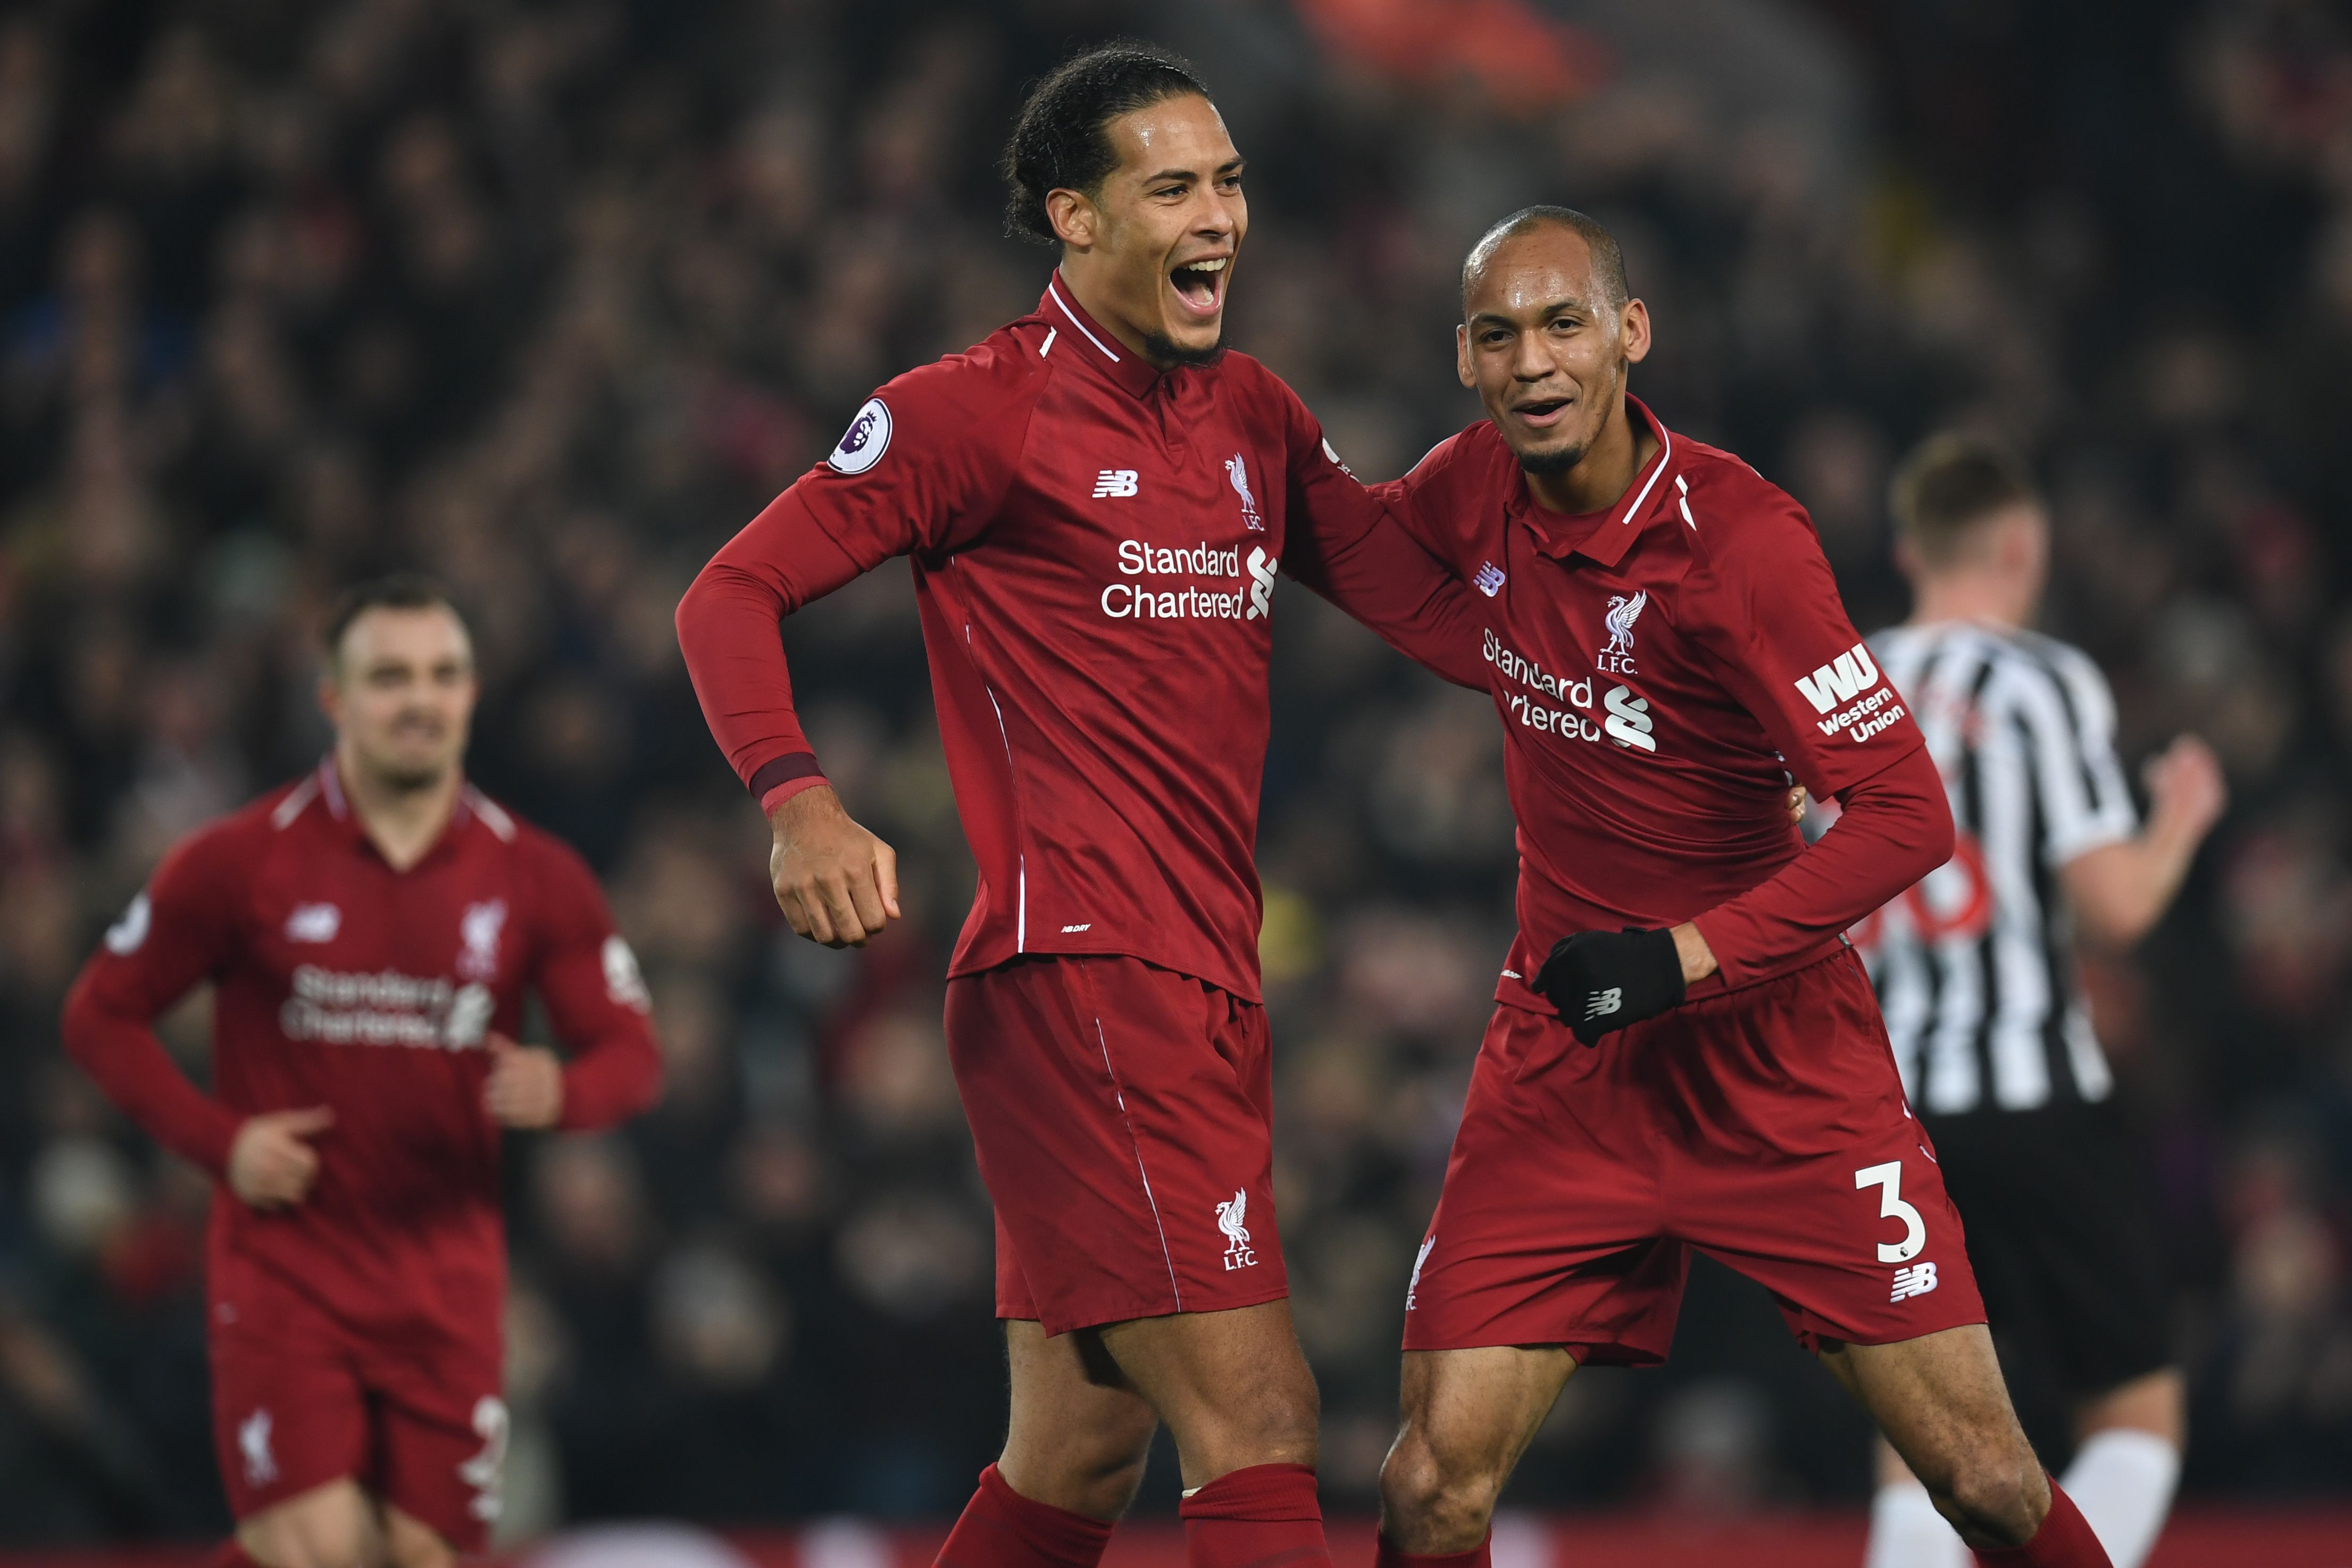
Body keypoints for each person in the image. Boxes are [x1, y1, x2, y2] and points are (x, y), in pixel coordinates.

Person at [672, 43, 1489, 1568]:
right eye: (1172, 188)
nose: (1219, 216)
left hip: (1204, 977)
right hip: (1084, 974)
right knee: (1259, 1414)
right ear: (1075, 216)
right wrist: (798, 802)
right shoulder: (969, 413)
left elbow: (1431, 610)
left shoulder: (1254, 414)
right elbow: (728, 593)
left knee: (1077, 1453)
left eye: (1229, 182)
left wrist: (1680, 700)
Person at [1365, 207, 2118, 1568]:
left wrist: (1679, 960)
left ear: (1630, 333)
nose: (1532, 362)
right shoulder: (1468, 486)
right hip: (1570, 1061)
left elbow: (1908, 816)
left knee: (1987, 1482)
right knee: (1430, 1491)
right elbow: (1344, 546)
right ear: (1464, 358)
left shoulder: (1742, 542)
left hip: (1778, 1061)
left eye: (1563, 324)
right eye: (1499, 335)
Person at [61, 576, 664, 1568]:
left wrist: (565, 1091)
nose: (420, 700)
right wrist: (222, 1144)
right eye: (389, 677)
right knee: (321, 1549)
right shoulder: (238, 862)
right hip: (287, 1275)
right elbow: (100, 1014)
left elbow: (632, 1053)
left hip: (447, 1286)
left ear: (471, 695)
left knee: (420, 1555)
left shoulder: (536, 876)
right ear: (333, 699)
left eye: (442, 674)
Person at [1855, 436, 2228, 1568]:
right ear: (2022, 546)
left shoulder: (1846, 683)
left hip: (1884, 1115)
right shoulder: (2039, 682)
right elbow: (2114, 908)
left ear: (1909, 551)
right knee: (2135, 1413)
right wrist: (2179, 820)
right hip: (2035, 1098)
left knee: (1920, 1437)